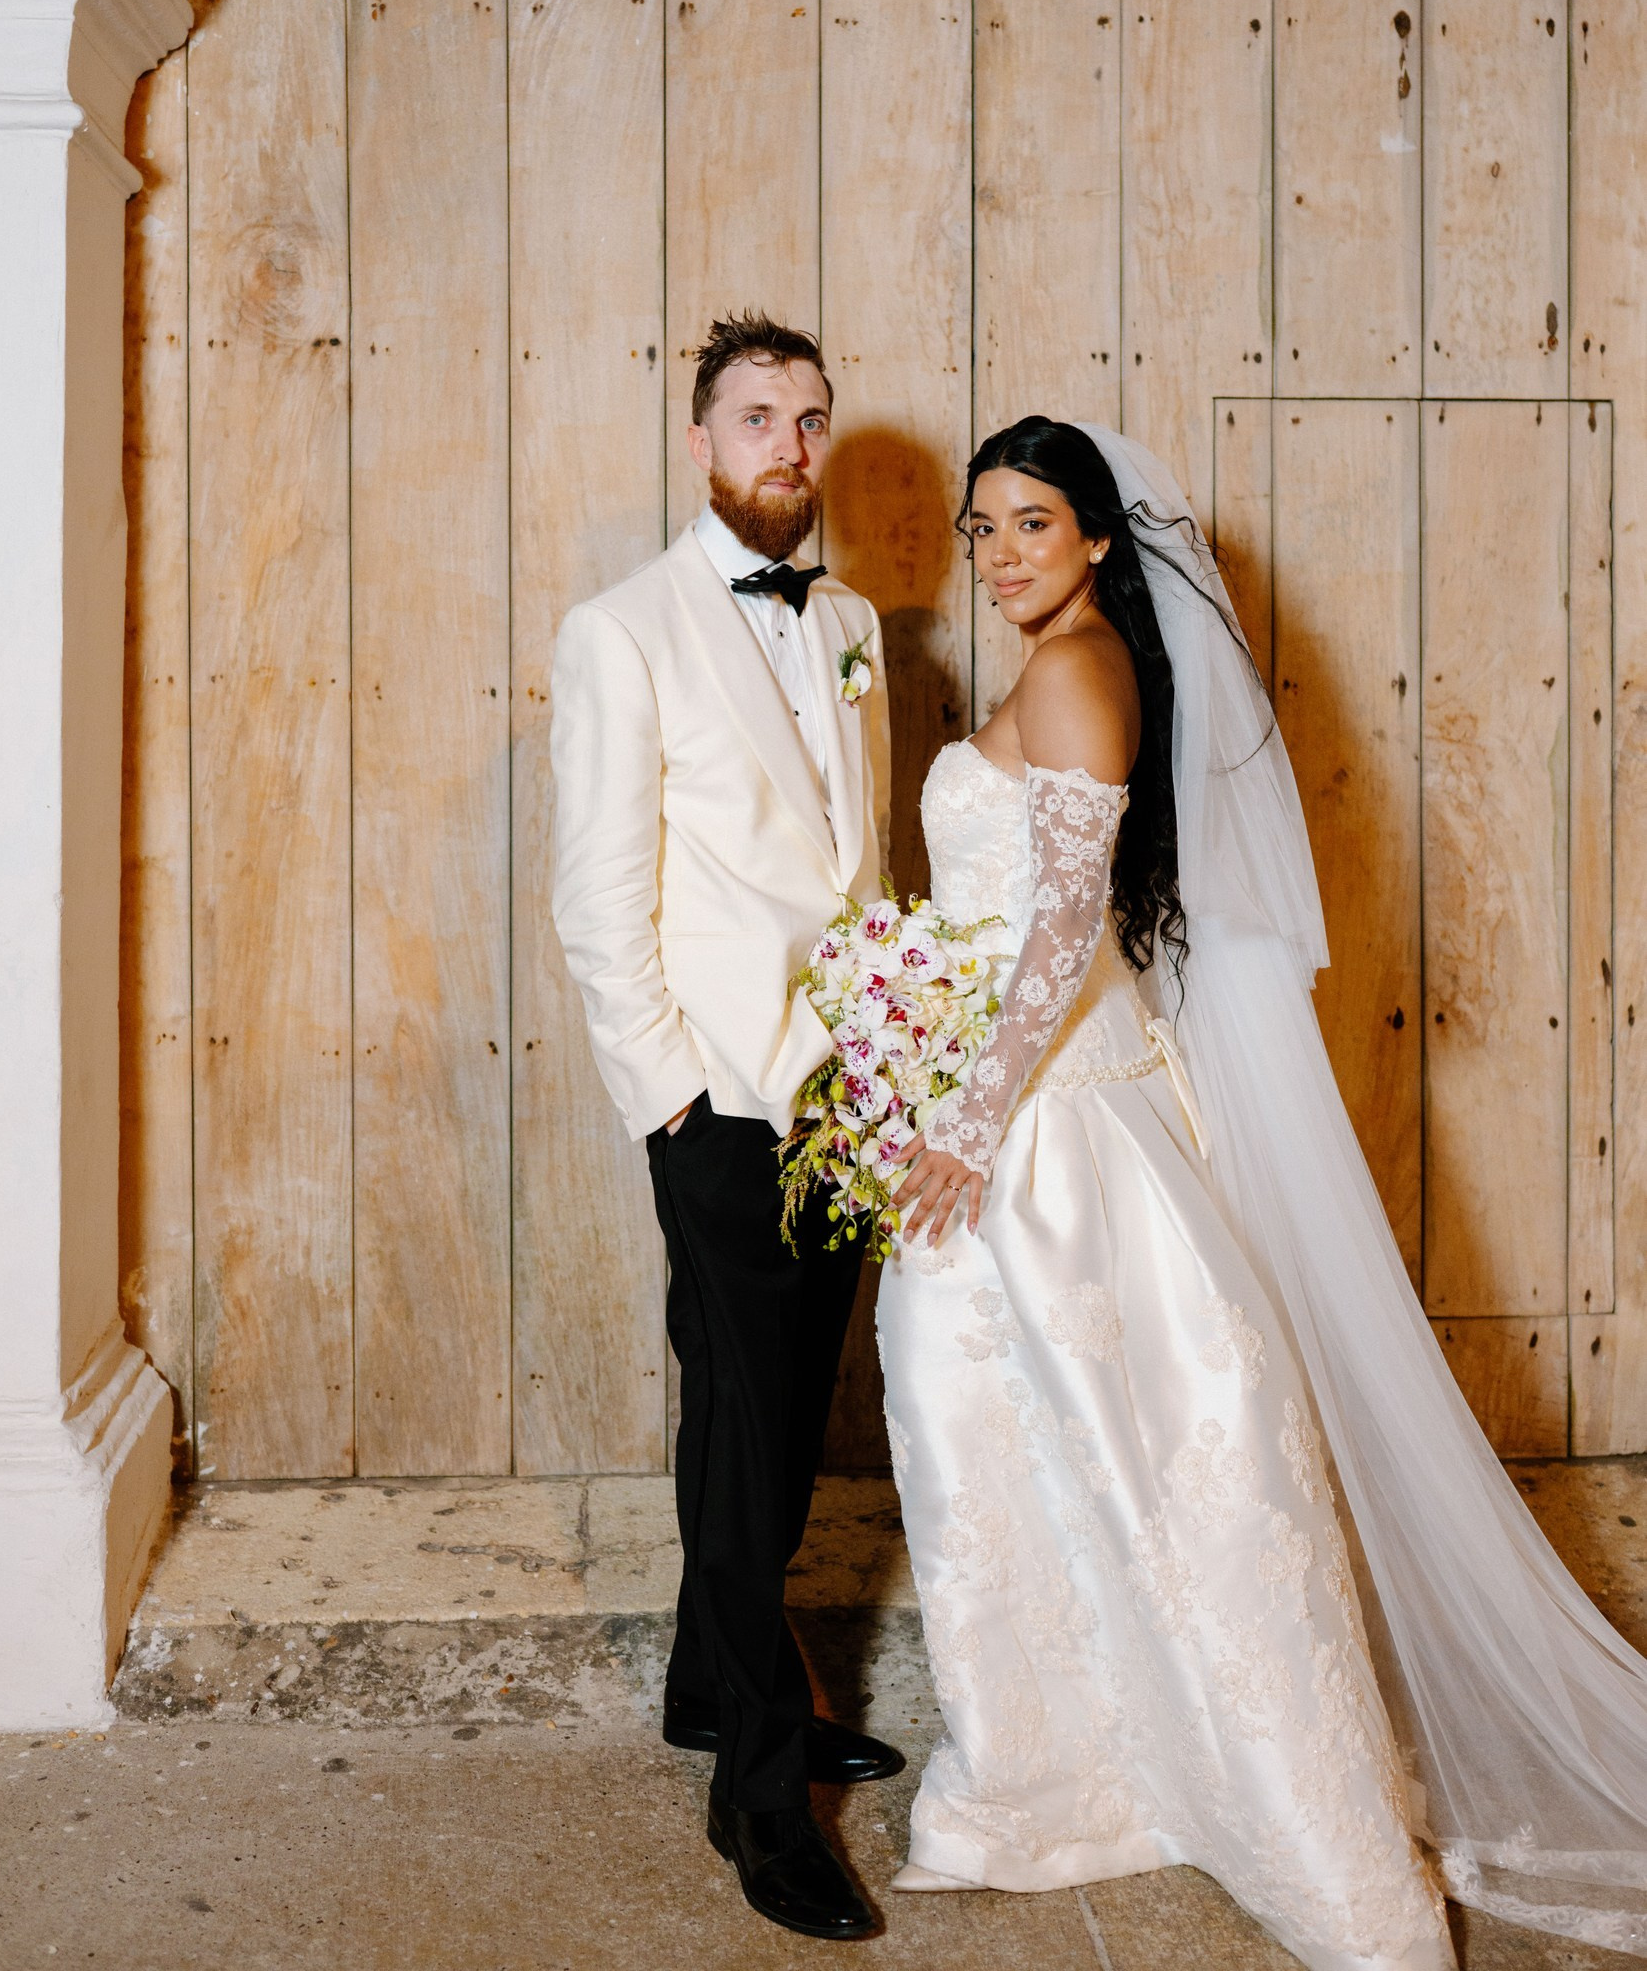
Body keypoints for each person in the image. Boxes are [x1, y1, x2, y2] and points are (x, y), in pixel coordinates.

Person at [878, 416, 1647, 1967]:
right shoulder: (1063, 665)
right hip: (1030, 1106)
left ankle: (1271, 1824)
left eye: (1030, 523)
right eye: (979, 528)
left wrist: (959, 1121)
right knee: (1006, 1453)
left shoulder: (1081, 672)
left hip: (1050, 1136)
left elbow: (1057, 935)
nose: (998, 553)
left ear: (1099, 539)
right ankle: (1062, 1774)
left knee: (1142, 1461)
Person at [550, 312, 898, 1943]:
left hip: (847, 1093)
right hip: (725, 1107)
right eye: (758, 418)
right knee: (755, 1449)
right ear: (702, 444)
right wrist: (677, 1108)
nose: (791, 448)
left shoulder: (859, 627)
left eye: (812, 420)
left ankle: (712, 1680)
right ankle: (759, 1793)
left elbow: (863, 866)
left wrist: (891, 1063)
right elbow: (599, 903)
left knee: (773, 1417)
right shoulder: (621, 633)